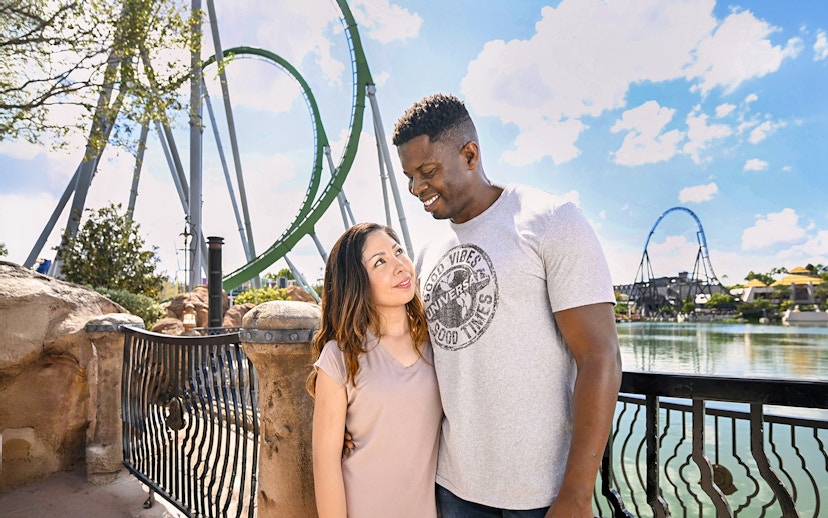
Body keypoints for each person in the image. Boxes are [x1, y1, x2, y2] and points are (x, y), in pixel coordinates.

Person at [391, 93, 623, 517]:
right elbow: (419, 362)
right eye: (409, 176)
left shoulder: (551, 219)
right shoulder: (425, 253)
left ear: (470, 154)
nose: (416, 188)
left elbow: (600, 355)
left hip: (540, 495)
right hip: (452, 486)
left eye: (427, 171)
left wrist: (576, 494)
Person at [307, 222, 442, 518]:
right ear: (356, 281)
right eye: (380, 261)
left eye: (398, 252)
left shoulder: (439, 343)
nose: (399, 266)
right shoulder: (341, 355)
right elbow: (325, 461)